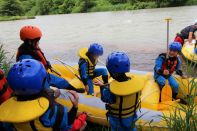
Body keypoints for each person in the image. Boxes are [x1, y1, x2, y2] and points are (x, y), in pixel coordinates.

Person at [0, 59, 86, 131]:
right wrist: (75, 108)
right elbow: (68, 126)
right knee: (83, 124)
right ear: (43, 84)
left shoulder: (7, 112)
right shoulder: (55, 110)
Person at [17, 26, 84, 93]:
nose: (38, 42)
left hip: (44, 74)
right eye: (37, 40)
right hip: (39, 79)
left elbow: (39, 59)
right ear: (29, 41)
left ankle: (75, 90)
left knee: (62, 82)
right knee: (47, 93)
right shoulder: (25, 57)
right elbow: (30, 74)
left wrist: (47, 63)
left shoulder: (31, 48)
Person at [95, 52, 144, 131]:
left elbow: (104, 98)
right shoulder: (136, 84)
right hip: (131, 116)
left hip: (117, 119)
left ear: (111, 71)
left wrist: (103, 86)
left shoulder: (111, 89)